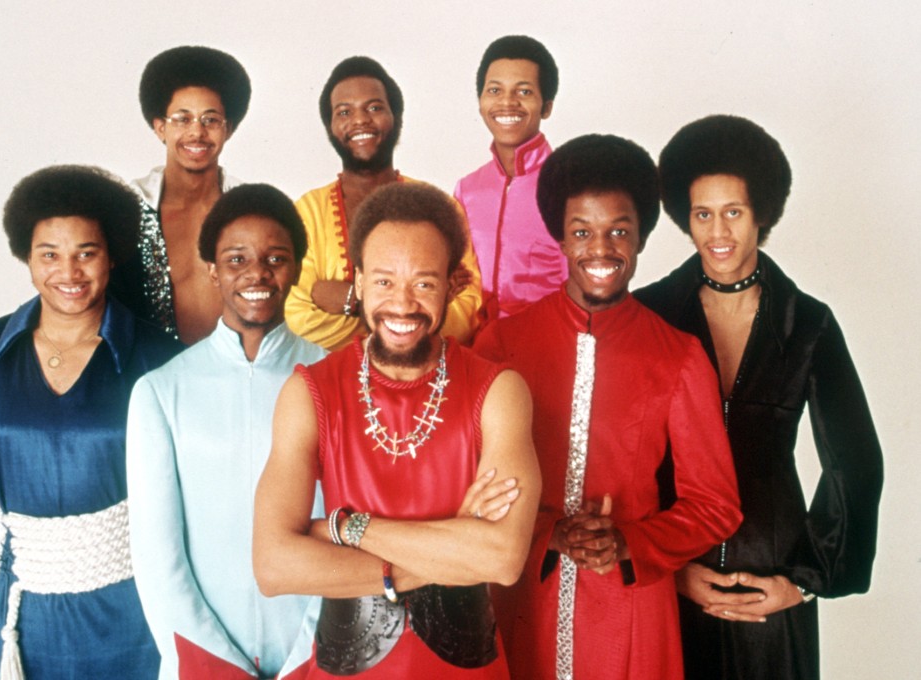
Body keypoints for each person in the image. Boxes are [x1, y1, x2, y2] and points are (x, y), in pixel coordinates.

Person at [473, 134, 743, 680]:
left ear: (641, 236)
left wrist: (629, 542)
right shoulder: (500, 345)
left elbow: (716, 505)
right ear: (560, 239)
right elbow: (467, 482)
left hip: (631, 608)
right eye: (582, 232)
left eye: (619, 231)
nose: (601, 249)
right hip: (519, 592)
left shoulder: (680, 356)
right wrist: (550, 532)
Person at [255, 182, 540, 678]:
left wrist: (347, 530)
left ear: (452, 285)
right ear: (359, 283)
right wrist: (454, 545)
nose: (402, 305)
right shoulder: (310, 392)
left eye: (424, 283)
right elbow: (275, 567)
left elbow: (501, 558)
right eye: (385, 282)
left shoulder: (499, 390)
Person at [633, 115, 883, 680]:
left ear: (761, 215)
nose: (718, 232)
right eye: (703, 214)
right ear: (683, 217)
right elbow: (618, 457)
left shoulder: (808, 323)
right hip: (674, 574)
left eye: (733, 213)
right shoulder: (649, 315)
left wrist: (802, 581)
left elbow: (857, 461)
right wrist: (664, 567)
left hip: (770, 579)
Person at [0, 166, 180, 679]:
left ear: (113, 254)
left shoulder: (160, 358)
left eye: (86, 252)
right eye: (49, 254)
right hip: (24, 617)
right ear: (27, 258)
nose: (69, 272)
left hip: (134, 612)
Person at [126, 184, 327, 680]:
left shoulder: (336, 379)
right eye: (236, 259)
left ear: (297, 267)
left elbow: (352, 533)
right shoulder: (161, 391)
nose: (256, 272)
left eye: (275, 257)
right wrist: (218, 668)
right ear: (213, 271)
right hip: (202, 661)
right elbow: (158, 560)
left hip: (320, 657)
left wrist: (309, 659)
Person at [285, 56, 482, 351]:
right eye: (344, 112)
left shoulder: (439, 207)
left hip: (426, 382)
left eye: (374, 108)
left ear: (397, 118)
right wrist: (410, 320)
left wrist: (351, 299)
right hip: (332, 383)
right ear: (330, 127)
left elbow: (468, 310)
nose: (360, 120)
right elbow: (297, 318)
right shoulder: (307, 212)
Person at [109, 45, 251, 344]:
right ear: (160, 127)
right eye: (182, 119)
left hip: (237, 375)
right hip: (150, 375)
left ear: (229, 129)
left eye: (210, 120)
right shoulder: (128, 209)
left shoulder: (250, 210)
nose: (197, 133)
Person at [454, 35, 566, 325]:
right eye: (494, 90)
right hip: (475, 352)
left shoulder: (569, 184)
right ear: (480, 101)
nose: (507, 102)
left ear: (547, 106)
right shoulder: (467, 190)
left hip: (547, 345)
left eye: (524, 91)